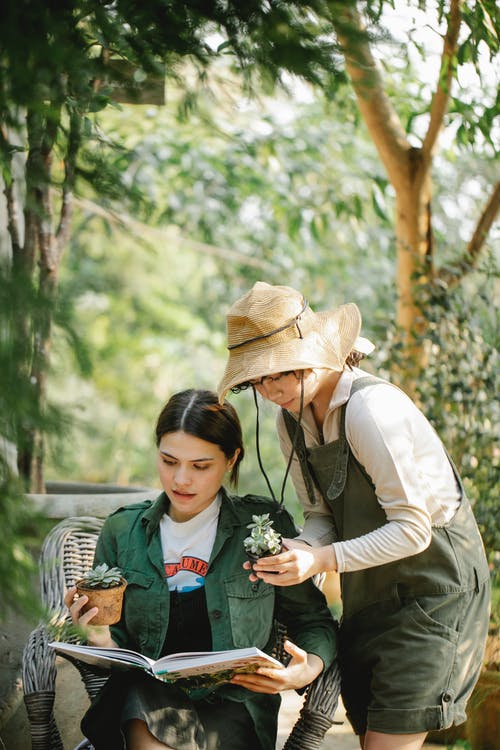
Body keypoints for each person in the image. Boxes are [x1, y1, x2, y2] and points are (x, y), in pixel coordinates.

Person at [217, 281, 491, 750]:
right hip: (369, 593)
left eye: (278, 371)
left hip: (434, 589)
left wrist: (320, 562)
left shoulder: (371, 409)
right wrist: (301, 549)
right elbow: (320, 514)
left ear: (314, 351)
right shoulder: (291, 421)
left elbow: (412, 530)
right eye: (257, 379)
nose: (269, 389)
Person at [64, 388, 336, 750]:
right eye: (168, 461)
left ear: (231, 459)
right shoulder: (122, 532)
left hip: (235, 711)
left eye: (200, 466)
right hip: (146, 703)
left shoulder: (264, 530)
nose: (180, 480)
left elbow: (316, 621)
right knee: (141, 700)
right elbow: (122, 649)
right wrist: (97, 638)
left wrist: (307, 668)